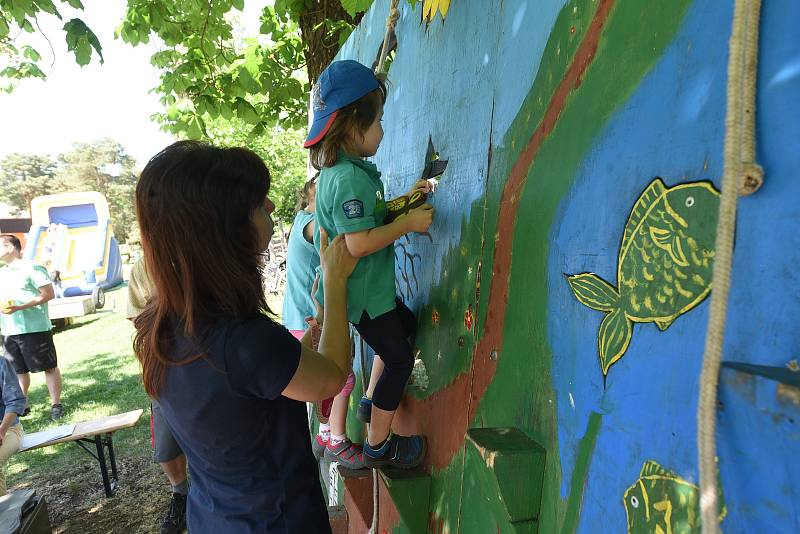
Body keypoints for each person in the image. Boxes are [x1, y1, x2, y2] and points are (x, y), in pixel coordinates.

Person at [133, 140, 357, 532]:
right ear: (225, 229)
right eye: (258, 201)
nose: (271, 206)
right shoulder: (243, 341)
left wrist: (306, 340)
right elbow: (333, 377)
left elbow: (249, 387)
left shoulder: (160, 327)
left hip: (215, 517)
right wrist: (335, 281)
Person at [305, 60, 434, 469]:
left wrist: (405, 203)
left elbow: (366, 221)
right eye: (378, 121)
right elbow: (358, 243)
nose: (382, 130)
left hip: (371, 293)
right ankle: (379, 445)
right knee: (397, 359)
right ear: (353, 126)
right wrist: (409, 224)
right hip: (362, 297)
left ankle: (369, 401)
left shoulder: (346, 174)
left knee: (407, 325)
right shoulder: (349, 180)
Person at [282, 176, 365, 469]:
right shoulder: (310, 222)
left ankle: (326, 433)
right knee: (343, 378)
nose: (330, 198)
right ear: (308, 199)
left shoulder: (305, 220)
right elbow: (337, 230)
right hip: (306, 319)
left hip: (302, 317)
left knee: (329, 379)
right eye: (324, 193)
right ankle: (338, 441)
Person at [127, 258, 188, 534]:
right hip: (163, 363)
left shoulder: (199, 248)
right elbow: (137, 318)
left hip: (206, 358)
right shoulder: (142, 267)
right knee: (165, 446)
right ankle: (180, 495)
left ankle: (203, 492)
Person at [0, 234, 64, 420]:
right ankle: (22, 405)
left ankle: (56, 404)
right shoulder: (2, 272)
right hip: (9, 331)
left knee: (49, 367)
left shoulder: (32, 267)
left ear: (10, 247)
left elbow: (48, 293)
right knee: (18, 371)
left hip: (35, 328)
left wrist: (19, 307)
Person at [0, 355, 26, 496]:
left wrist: (2, 430)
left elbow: (15, 401)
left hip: (9, 428)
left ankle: (3, 515)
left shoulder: (1, 363)